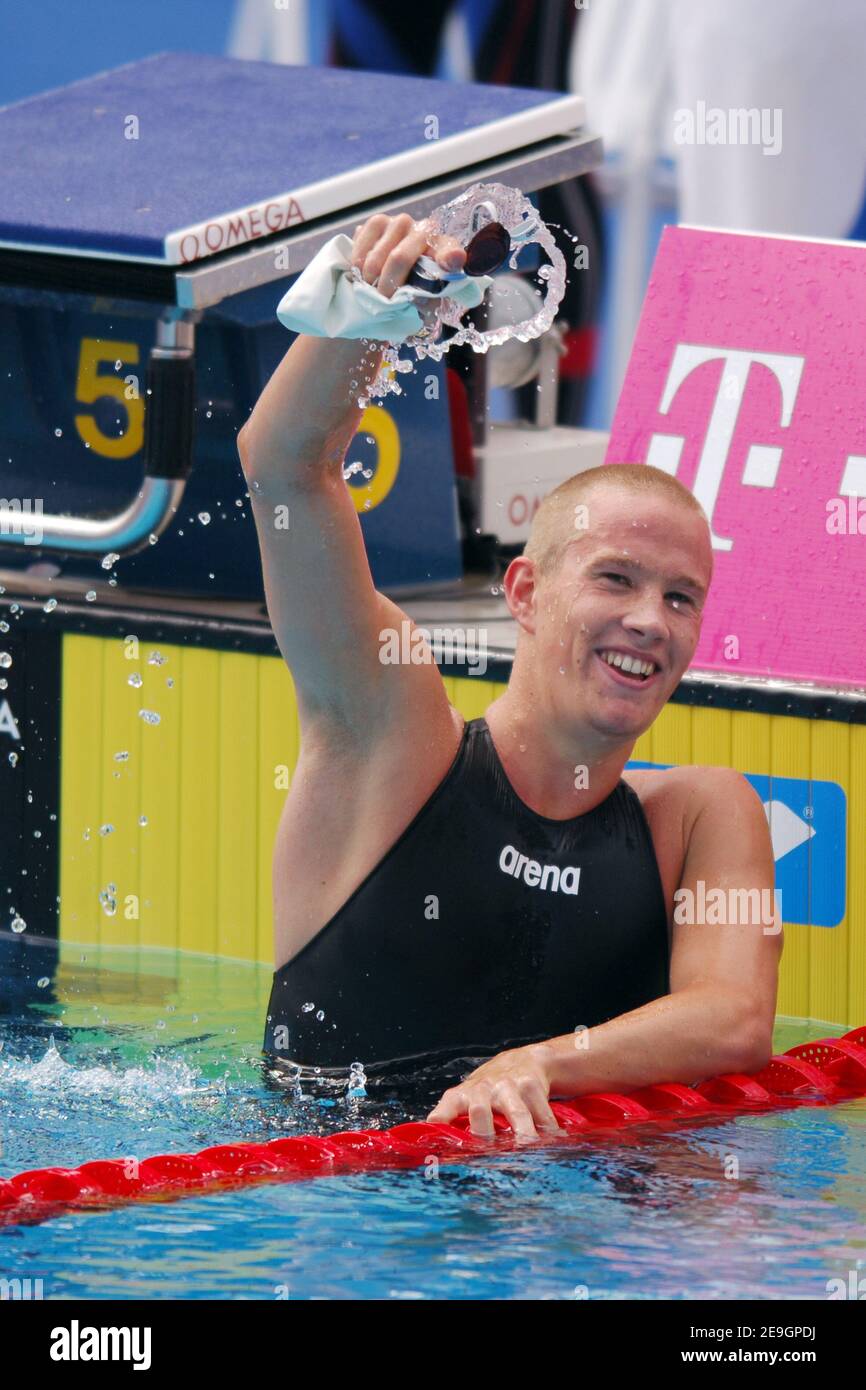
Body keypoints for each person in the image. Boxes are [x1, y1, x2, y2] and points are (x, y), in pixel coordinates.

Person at [238, 211, 782, 1138]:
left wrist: (536, 1064)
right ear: (525, 592)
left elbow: (734, 1020)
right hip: (342, 1224)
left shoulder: (695, 818)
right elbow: (285, 468)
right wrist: (361, 319)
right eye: (616, 578)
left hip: (572, 1234)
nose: (650, 620)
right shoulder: (392, 732)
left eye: (682, 599)